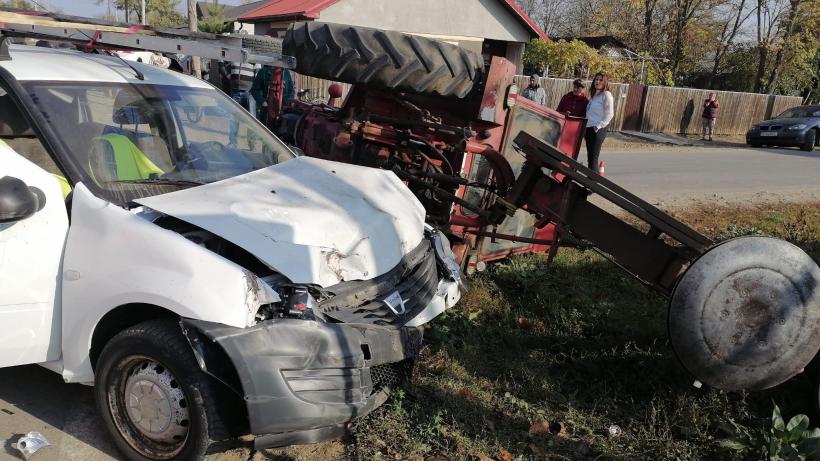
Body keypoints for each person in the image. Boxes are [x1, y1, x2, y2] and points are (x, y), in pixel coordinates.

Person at [584, 72, 614, 173]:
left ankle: (593, 183)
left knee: (593, 158)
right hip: (589, 127)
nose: (597, 82)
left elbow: (610, 114)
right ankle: (590, 180)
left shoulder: (606, 94)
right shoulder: (594, 96)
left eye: (600, 80)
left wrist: (598, 126)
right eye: (596, 80)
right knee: (590, 157)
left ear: (604, 82)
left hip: (598, 129)